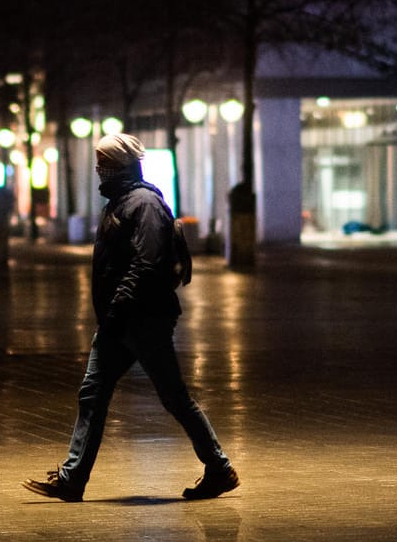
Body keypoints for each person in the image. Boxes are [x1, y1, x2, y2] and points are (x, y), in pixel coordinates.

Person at [23, 133, 238, 502]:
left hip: (141, 318)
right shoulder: (122, 202)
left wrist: (118, 307)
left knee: (173, 396)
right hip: (121, 319)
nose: (98, 169)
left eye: (103, 162)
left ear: (121, 165)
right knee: (94, 392)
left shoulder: (143, 203)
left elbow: (147, 262)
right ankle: (72, 478)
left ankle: (219, 467)